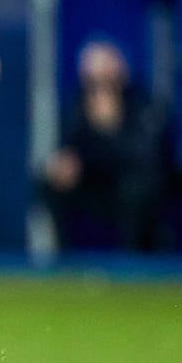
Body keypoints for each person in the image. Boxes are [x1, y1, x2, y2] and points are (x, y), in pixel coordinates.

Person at [39, 38, 168, 252]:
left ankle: (135, 261)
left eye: (105, 78)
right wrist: (65, 165)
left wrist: (109, 128)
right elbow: (71, 148)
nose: (98, 86)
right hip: (93, 182)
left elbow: (145, 157)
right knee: (48, 182)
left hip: (129, 182)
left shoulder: (141, 103)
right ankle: (62, 257)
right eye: (92, 79)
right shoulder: (79, 104)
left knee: (136, 190)